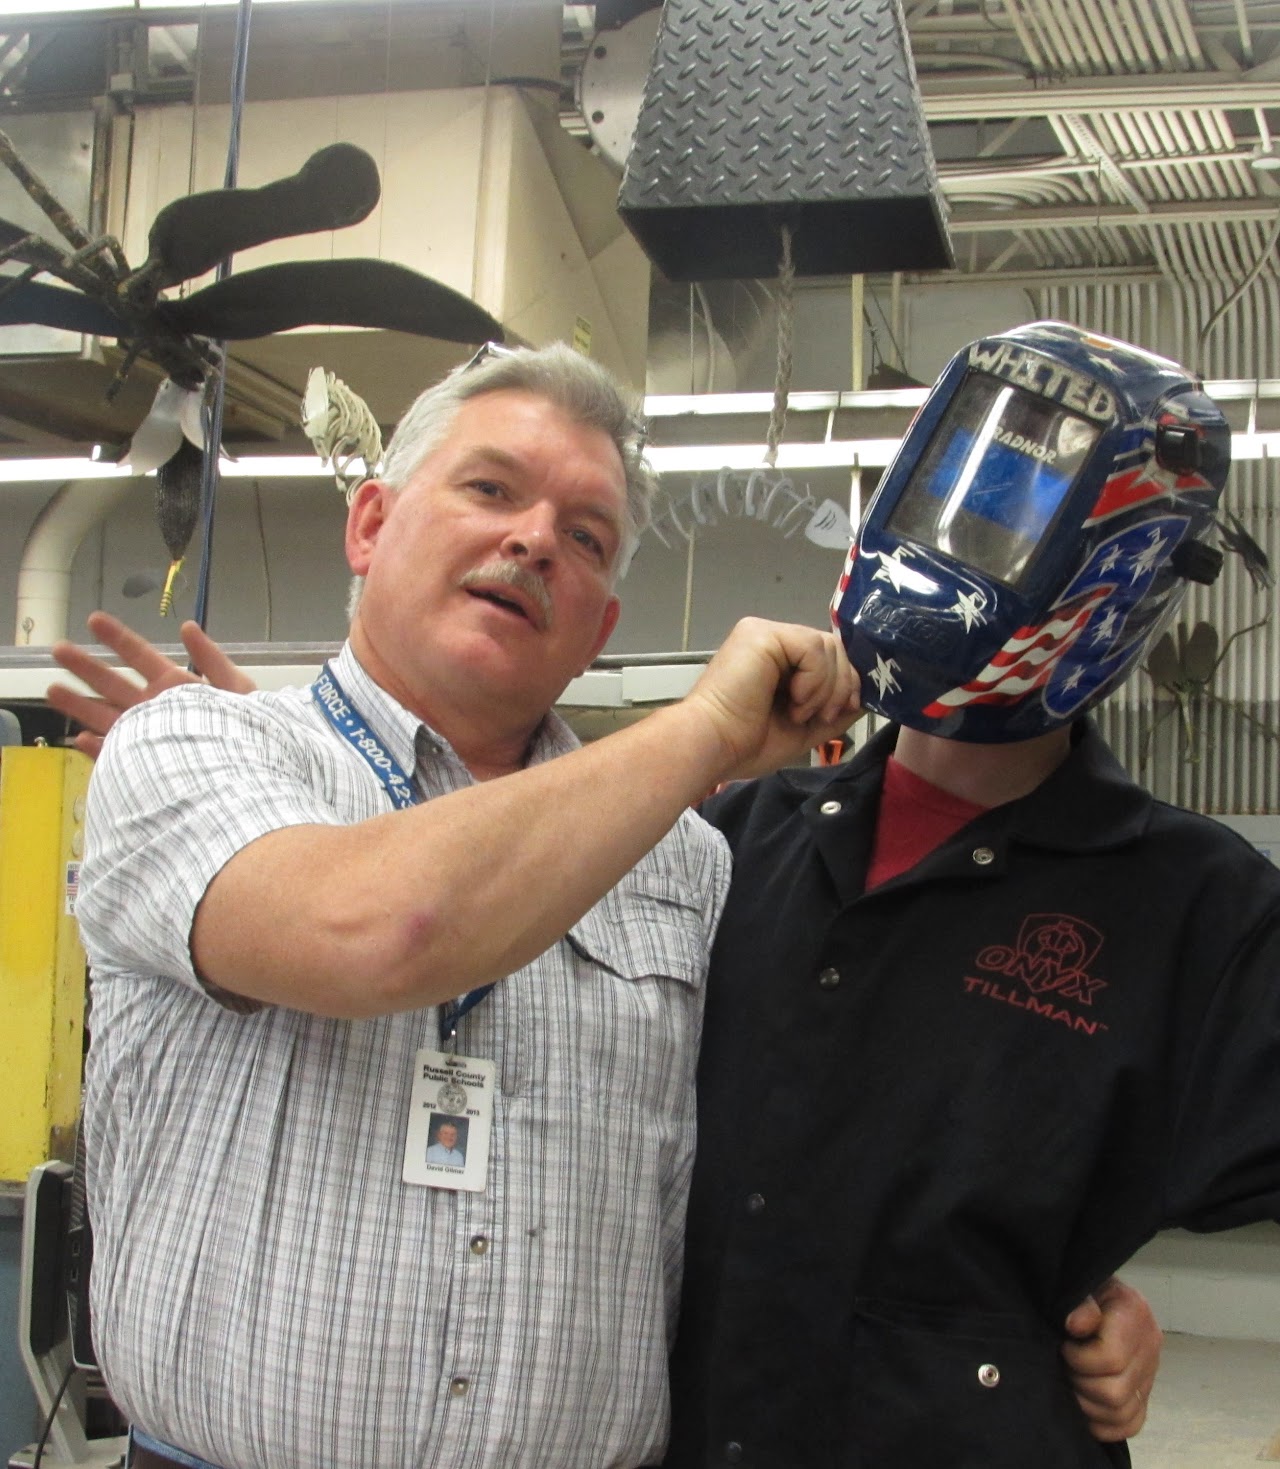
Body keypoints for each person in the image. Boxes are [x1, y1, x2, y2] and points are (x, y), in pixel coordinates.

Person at [50, 344, 1161, 1468]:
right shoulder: (195, 746)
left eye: (583, 536)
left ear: (600, 624)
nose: (533, 539)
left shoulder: (686, 862)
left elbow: (802, 1147)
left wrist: (1055, 1292)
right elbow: (380, 927)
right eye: (489, 489)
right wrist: (705, 729)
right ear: (371, 524)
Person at [662, 322, 1280, 1468]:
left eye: (1013, 508)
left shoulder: (1204, 914)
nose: (959, 537)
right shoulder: (724, 843)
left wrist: (1056, 1298)